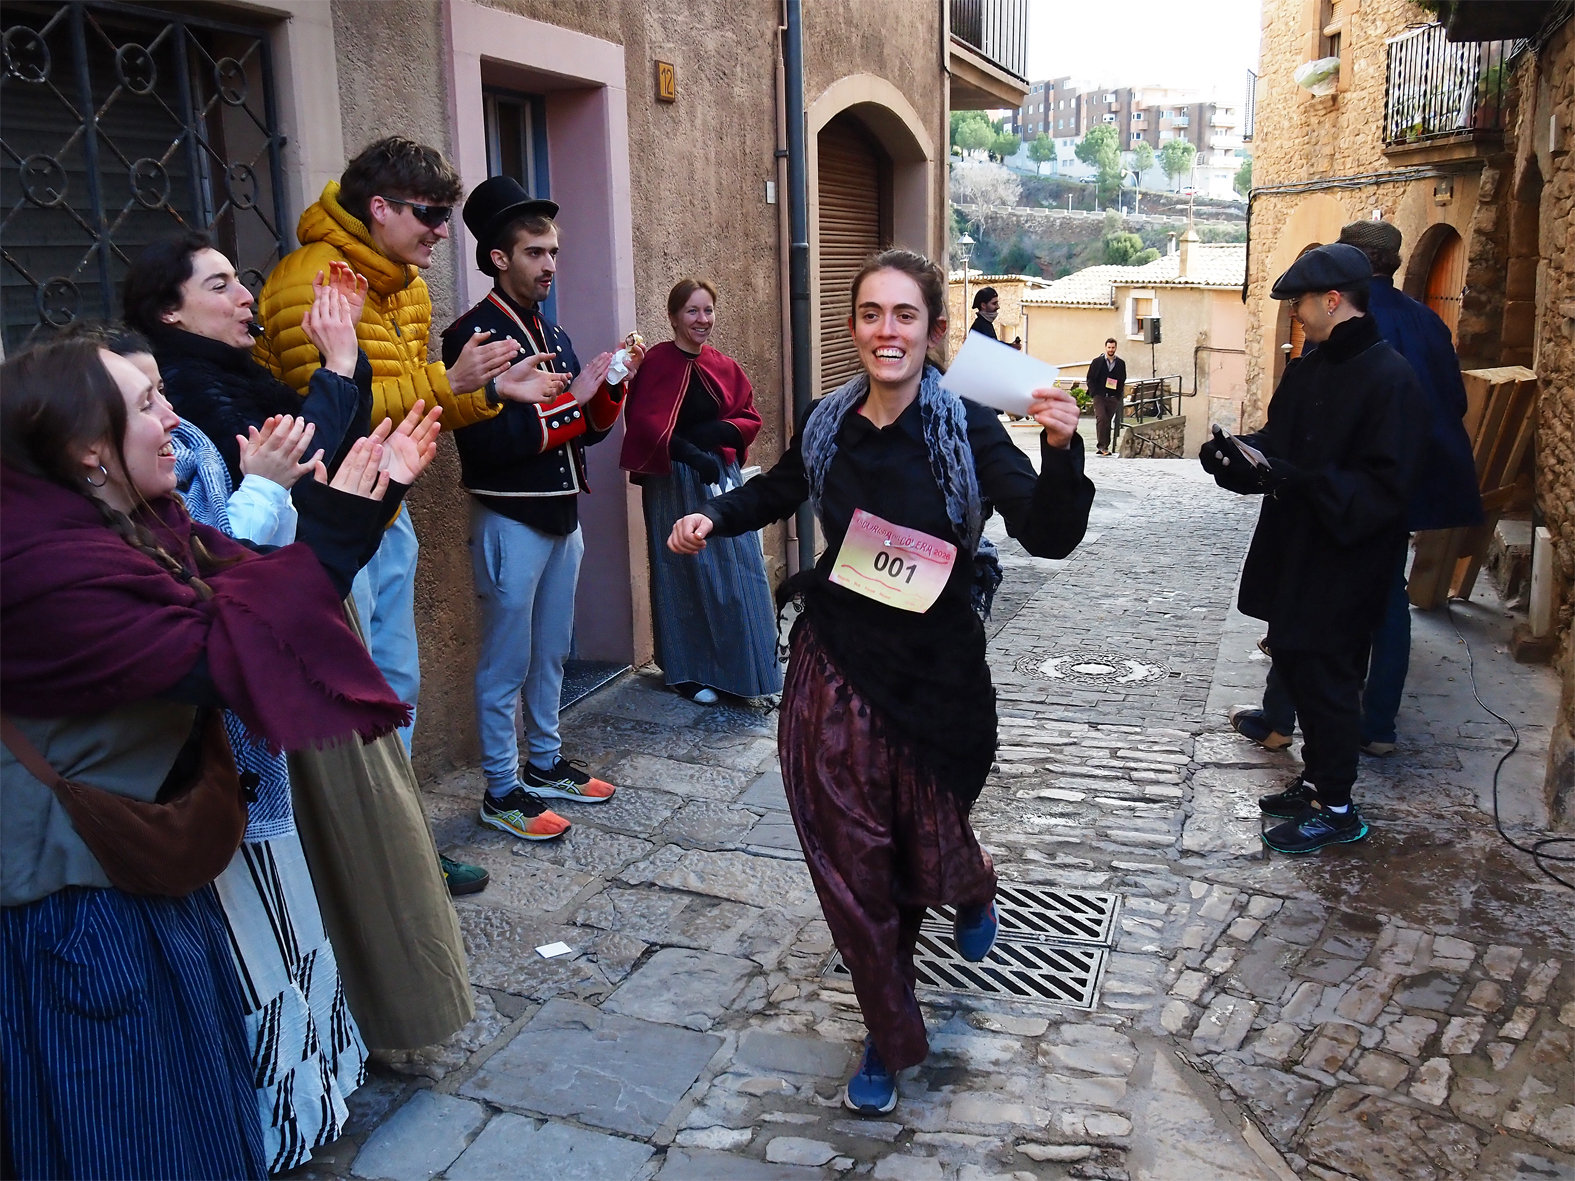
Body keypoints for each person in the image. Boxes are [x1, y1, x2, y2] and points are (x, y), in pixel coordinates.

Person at [669, 250, 1093, 1115]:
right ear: (853, 326)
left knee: (923, 838)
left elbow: (1048, 534)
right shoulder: (830, 422)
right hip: (837, 664)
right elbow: (785, 486)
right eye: (870, 314)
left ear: (933, 330)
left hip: (935, 681)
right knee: (860, 865)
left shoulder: (967, 426)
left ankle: (969, 881)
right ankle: (887, 1030)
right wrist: (714, 514)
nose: (885, 332)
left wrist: (1060, 450)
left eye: (904, 315)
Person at [1, 337, 409, 1180]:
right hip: (78, 911)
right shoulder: (40, 567)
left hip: (135, 879)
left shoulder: (134, 526)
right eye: (147, 403)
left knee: (188, 1116)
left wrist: (355, 508)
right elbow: (214, 655)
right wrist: (333, 525)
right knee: (130, 1132)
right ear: (87, 449)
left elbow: (246, 579)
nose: (173, 418)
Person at [123, 235, 501, 1052]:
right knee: (329, 841)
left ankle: (361, 1022)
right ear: (167, 312)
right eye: (219, 284)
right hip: (271, 653)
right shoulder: (193, 391)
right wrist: (335, 364)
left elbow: (321, 454)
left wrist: (360, 432)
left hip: (296, 608)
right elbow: (284, 490)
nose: (244, 296)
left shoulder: (230, 374)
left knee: (361, 823)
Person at [256, 136, 524, 752]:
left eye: (443, 216)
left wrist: (487, 391)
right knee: (350, 684)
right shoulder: (311, 281)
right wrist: (446, 380)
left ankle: (399, 839)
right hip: (327, 517)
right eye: (428, 215)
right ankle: (365, 840)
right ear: (381, 207)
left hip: (387, 504)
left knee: (397, 679)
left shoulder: (407, 287)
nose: (439, 232)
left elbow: (410, 402)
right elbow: (324, 415)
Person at [1200, 243, 1426, 854]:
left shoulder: (1391, 378)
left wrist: (1299, 480)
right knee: (1296, 659)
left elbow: (1385, 488)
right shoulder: (1310, 367)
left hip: (1347, 558)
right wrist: (1238, 457)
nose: (1295, 312)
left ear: (1333, 300)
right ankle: (1319, 781)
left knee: (1329, 678)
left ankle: (1339, 807)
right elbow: (1280, 442)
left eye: (1300, 301)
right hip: (1295, 546)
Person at [1230, 220, 1482, 757]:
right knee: (1388, 605)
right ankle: (1379, 727)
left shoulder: (1355, 340)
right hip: (1403, 485)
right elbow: (1454, 405)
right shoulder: (1429, 323)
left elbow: (1322, 432)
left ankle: (1289, 725)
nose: (1299, 312)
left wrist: (1301, 475)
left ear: (1342, 281)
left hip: (1348, 494)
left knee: (1314, 614)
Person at [441, 175, 639, 843]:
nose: (550, 264)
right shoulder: (471, 336)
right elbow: (489, 443)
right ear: (498, 257)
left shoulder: (551, 330)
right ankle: (501, 788)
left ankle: (546, 761)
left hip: (560, 517)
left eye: (552, 251)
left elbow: (591, 431)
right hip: (509, 517)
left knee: (552, 650)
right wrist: (575, 404)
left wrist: (609, 390)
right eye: (534, 252)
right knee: (506, 662)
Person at [621, 278, 781, 706]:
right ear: (674, 317)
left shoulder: (723, 365)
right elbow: (643, 424)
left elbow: (748, 414)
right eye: (692, 311)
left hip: (719, 479)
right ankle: (686, 672)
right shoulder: (656, 362)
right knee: (683, 576)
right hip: (674, 479)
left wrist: (717, 435)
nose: (702, 320)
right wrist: (691, 451)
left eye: (708, 310)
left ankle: (744, 671)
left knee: (738, 571)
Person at [1087, 337, 1126, 456]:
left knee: (1107, 421)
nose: (1111, 350)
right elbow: (1090, 378)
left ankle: (1104, 446)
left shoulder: (1120, 363)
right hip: (1099, 395)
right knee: (1101, 418)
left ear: (1116, 348)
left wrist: (1118, 396)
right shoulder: (1097, 362)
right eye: (1109, 347)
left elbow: (1122, 379)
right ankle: (1101, 445)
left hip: (1112, 396)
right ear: (1105, 348)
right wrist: (1094, 392)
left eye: (1113, 347)